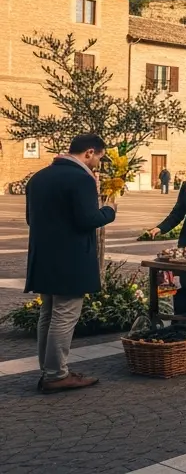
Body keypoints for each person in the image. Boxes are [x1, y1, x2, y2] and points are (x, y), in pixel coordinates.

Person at [25, 134, 116, 393]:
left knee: (48, 314)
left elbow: (31, 219)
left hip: (43, 257)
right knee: (64, 317)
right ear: (89, 152)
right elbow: (87, 220)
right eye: (99, 156)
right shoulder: (81, 178)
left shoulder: (38, 177)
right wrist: (109, 210)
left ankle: (49, 369)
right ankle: (56, 374)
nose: (98, 162)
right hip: (71, 259)